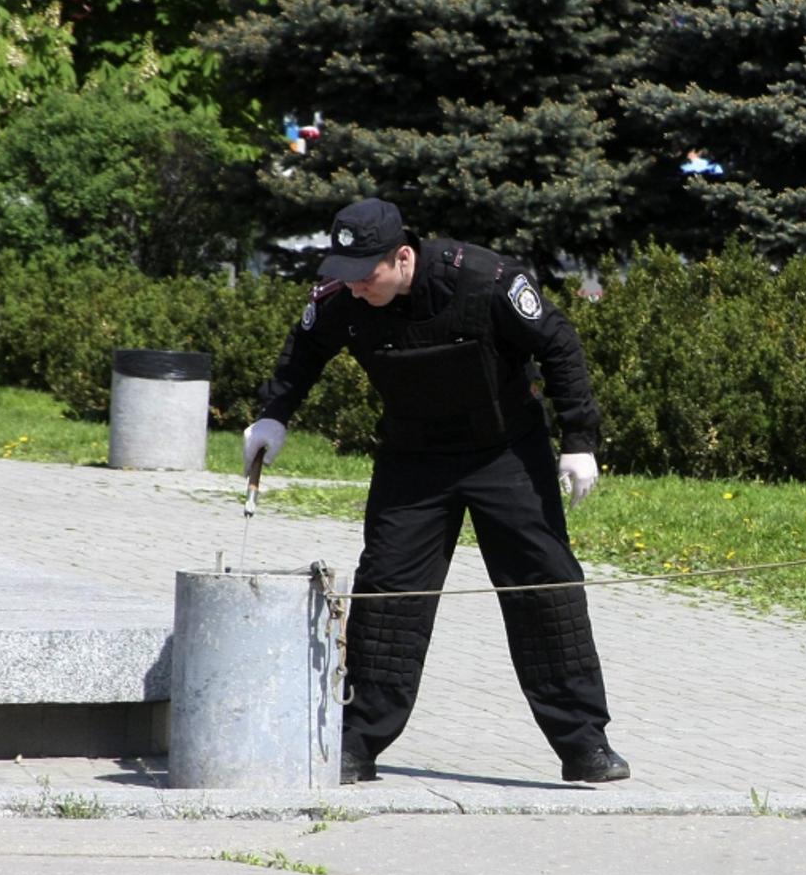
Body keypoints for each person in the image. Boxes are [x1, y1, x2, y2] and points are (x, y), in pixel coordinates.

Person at [242, 198, 629, 786]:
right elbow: (303, 353)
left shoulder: (486, 280)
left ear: (403, 257)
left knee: (545, 589)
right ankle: (356, 742)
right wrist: (274, 413)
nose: (356, 285)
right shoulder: (344, 298)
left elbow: (558, 343)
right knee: (388, 595)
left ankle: (585, 746)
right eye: (346, 273)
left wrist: (579, 439)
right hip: (414, 459)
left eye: (366, 273)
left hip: (505, 453)